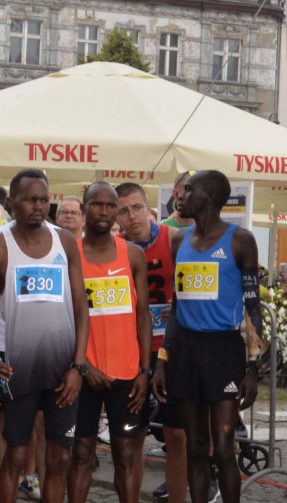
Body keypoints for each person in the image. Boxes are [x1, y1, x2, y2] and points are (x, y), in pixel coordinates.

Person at [0, 169, 89, 503]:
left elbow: (81, 308)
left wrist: (78, 367)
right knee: (15, 456)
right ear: (13, 203)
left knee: (60, 457)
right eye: (31, 199)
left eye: (44, 199)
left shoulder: (65, 242)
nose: (39, 206)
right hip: (19, 368)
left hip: (63, 368)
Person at [154, 170, 262, 503]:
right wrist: (162, 360)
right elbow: (177, 305)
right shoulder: (178, 240)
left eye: (188, 190)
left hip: (223, 349)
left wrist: (253, 368)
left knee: (224, 446)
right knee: (196, 446)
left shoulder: (240, 240)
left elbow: (253, 307)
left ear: (209, 197)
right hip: (186, 349)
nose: (180, 196)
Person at [67, 183, 151, 503]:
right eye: (96, 204)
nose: (104, 212)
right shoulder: (70, 254)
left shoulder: (133, 254)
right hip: (84, 373)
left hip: (126, 375)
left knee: (126, 455)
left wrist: (145, 370)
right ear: (83, 209)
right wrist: (82, 366)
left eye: (110, 205)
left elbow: (142, 316)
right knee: (81, 454)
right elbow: (65, 318)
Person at [115, 181, 188, 503]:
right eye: (123, 211)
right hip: (131, 352)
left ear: (149, 208)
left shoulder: (173, 239)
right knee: (132, 438)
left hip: (171, 350)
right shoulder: (115, 247)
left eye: (137, 208)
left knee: (176, 434)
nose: (132, 216)